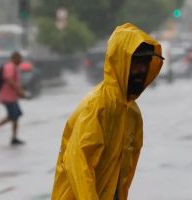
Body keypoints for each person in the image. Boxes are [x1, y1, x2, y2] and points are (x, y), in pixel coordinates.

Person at [51, 23, 164, 200]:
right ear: (120, 61)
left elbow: (122, 173)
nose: (141, 70)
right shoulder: (98, 105)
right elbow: (78, 162)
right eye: (135, 63)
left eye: (145, 63)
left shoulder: (132, 113)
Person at [0, 51, 27, 146]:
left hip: (11, 97)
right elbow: (9, 79)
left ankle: (13, 137)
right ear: (15, 58)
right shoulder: (10, 66)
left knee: (15, 115)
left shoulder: (14, 67)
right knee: (14, 116)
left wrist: (19, 92)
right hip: (7, 97)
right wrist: (19, 90)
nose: (21, 61)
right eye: (19, 59)